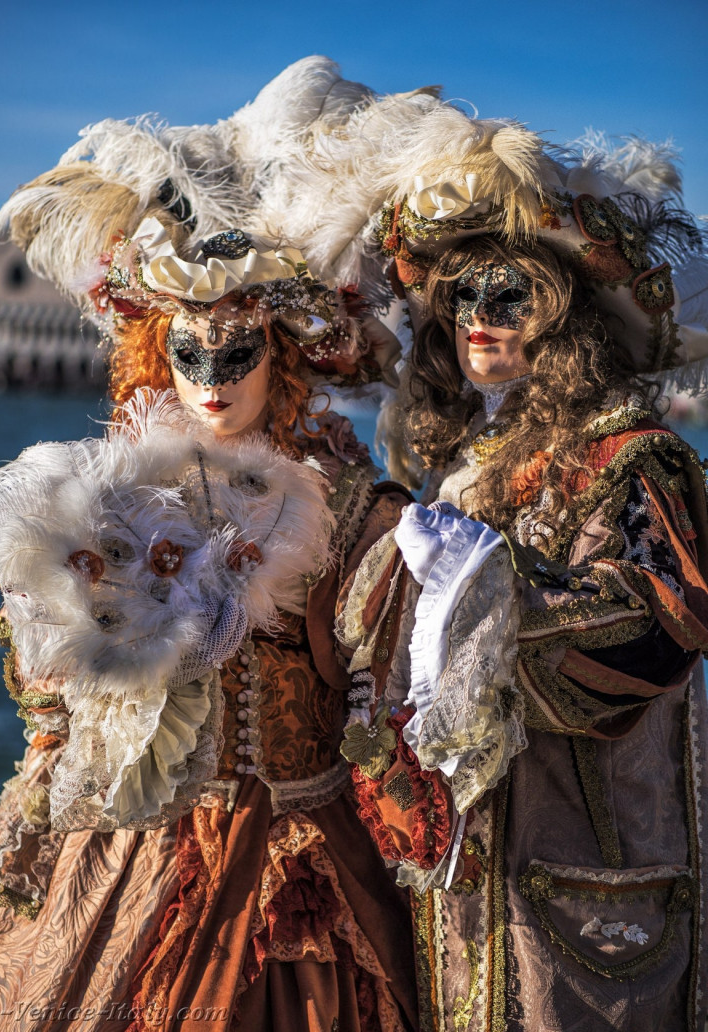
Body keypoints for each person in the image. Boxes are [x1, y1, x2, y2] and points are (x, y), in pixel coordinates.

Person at [0, 75, 419, 1032]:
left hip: (292, 854)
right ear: (160, 351)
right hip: (131, 847)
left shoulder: (348, 505)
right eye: (189, 354)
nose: (212, 380)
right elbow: (47, 693)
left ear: (282, 357)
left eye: (238, 352)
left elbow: (376, 695)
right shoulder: (111, 491)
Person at [330, 107, 708, 1031]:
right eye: (459, 299)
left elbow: (662, 630)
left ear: (563, 309)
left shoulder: (633, 456)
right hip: (466, 886)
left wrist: (492, 590)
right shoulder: (457, 468)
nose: (476, 320)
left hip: (581, 876)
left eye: (506, 294)